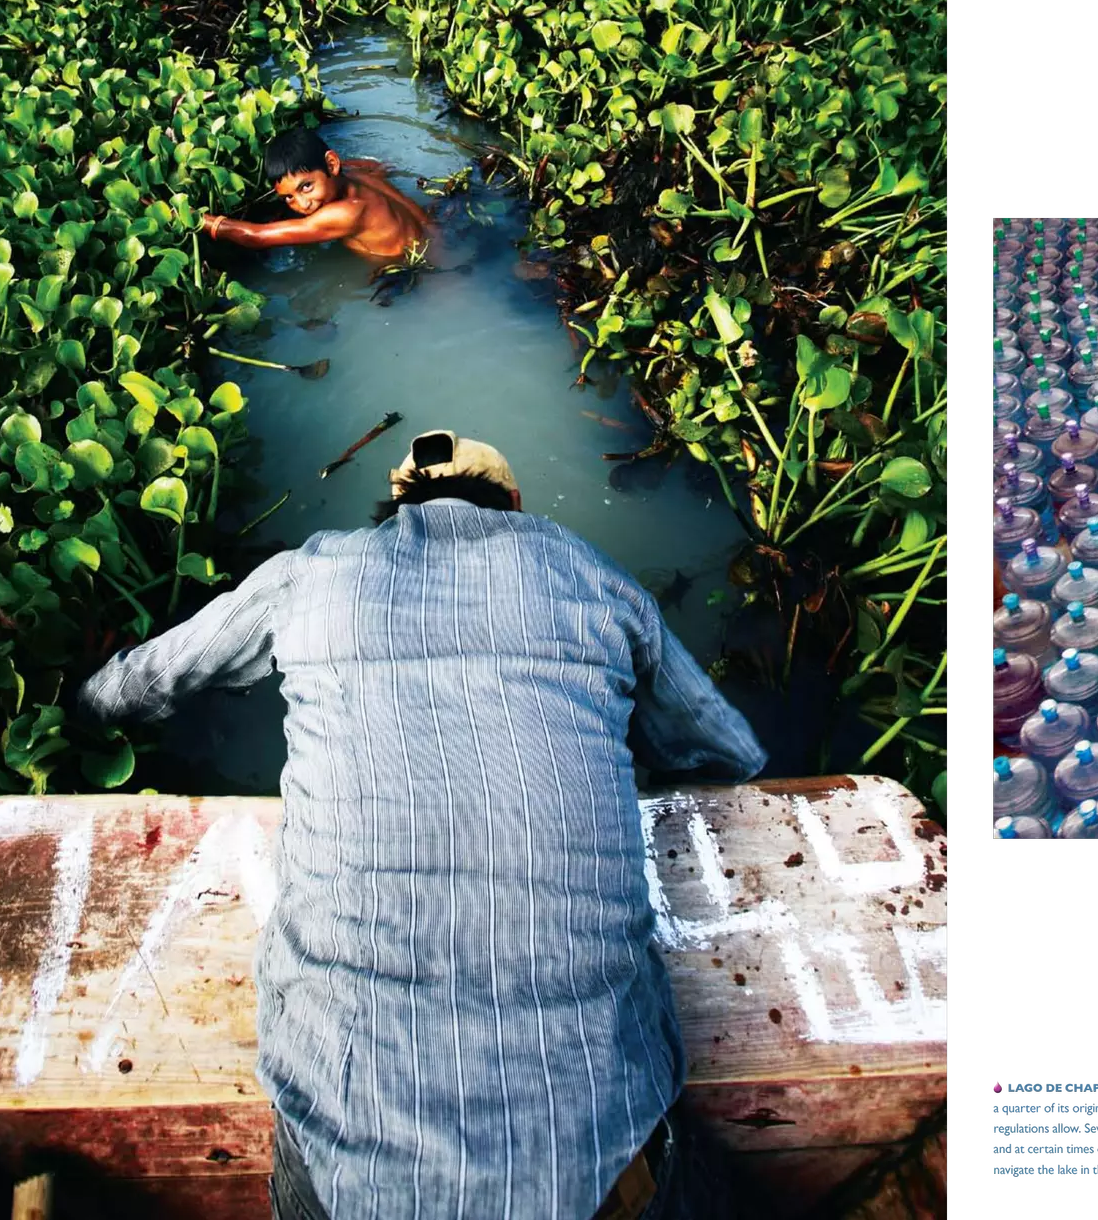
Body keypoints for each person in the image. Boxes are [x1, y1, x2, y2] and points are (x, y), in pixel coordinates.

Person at [77, 430, 767, 1220]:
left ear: (394, 504)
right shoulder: (587, 572)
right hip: (603, 1159)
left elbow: (139, 684)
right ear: (513, 506)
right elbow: (725, 748)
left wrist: (83, 704)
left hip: (350, 1163)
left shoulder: (310, 572)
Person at [200, 127, 433, 261]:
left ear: (332, 164)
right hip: (430, 230)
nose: (302, 204)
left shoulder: (346, 213)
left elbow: (255, 237)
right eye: (288, 197)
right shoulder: (355, 172)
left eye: (306, 187)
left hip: (408, 263)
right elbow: (375, 167)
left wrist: (196, 218)